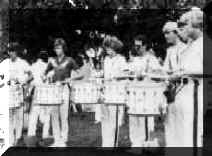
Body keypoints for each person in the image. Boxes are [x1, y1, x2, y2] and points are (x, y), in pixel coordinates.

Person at [165, 7, 203, 148]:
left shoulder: (204, 43)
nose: (183, 28)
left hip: (195, 92)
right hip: (183, 92)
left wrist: (183, 73)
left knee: (192, 135)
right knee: (183, 134)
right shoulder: (191, 45)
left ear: (196, 24)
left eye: (186, 24)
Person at [127, 35, 162, 147]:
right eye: (135, 46)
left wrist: (146, 74)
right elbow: (130, 74)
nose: (136, 48)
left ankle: (144, 145)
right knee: (133, 119)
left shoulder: (151, 59)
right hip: (134, 93)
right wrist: (132, 75)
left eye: (139, 46)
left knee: (144, 121)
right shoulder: (135, 59)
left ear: (145, 46)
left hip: (147, 94)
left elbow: (158, 75)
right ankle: (135, 145)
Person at [44, 38, 79, 146]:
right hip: (54, 89)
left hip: (64, 88)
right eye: (55, 48)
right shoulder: (52, 61)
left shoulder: (70, 60)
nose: (57, 50)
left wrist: (71, 79)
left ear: (63, 48)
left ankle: (63, 139)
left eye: (59, 48)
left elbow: (80, 73)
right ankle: (56, 139)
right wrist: (44, 76)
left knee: (64, 115)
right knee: (54, 115)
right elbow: (45, 73)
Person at [101, 35, 128, 147]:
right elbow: (105, 74)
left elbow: (126, 74)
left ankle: (113, 145)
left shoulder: (121, 59)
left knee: (114, 120)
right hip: (106, 92)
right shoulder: (106, 60)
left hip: (117, 93)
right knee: (105, 119)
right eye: (107, 48)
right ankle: (105, 144)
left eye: (110, 48)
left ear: (115, 47)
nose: (108, 50)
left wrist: (116, 76)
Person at [7, 42, 32, 146]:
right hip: (8, 93)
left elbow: (31, 75)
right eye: (9, 51)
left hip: (19, 92)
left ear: (16, 52)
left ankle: (18, 137)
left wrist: (24, 81)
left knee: (19, 116)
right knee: (9, 116)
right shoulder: (5, 63)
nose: (11, 53)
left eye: (13, 51)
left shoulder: (22, 63)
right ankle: (10, 139)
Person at [27, 50, 51, 143]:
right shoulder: (48, 67)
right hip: (46, 92)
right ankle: (45, 134)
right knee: (46, 114)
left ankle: (31, 133)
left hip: (37, 91)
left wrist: (28, 90)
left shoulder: (34, 66)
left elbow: (30, 78)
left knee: (34, 114)